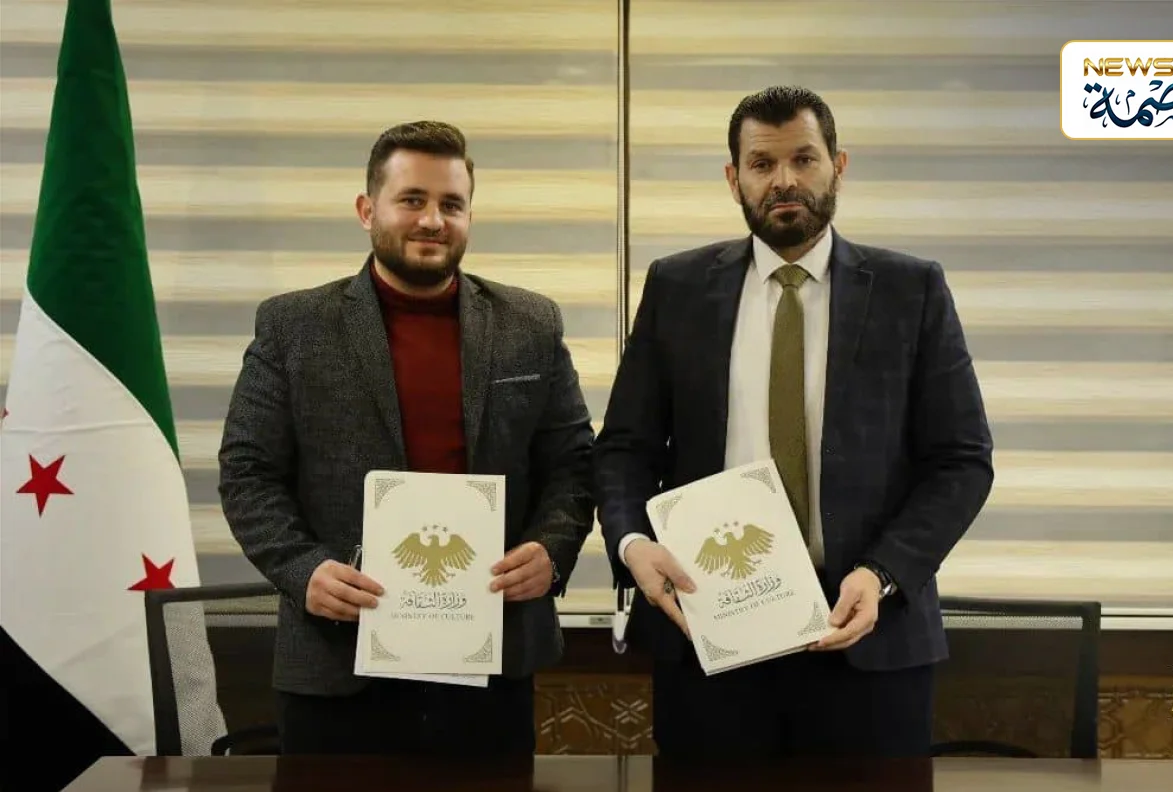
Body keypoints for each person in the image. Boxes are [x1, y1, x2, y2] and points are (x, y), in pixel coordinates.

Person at [593, 86, 994, 759]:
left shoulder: (910, 290)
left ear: (838, 166)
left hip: (868, 638)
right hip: (710, 636)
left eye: (804, 159)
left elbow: (961, 461)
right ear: (734, 179)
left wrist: (882, 573)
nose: (784, 180)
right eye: (762, 163)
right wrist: (633, 545)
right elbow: (624, 451)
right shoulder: (676, 288)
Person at [218, 120, 595, 756]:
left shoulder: (530, 323)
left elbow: (574, 464)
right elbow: (247, 472)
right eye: (412, 200)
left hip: (491, 660)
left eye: (452, 204)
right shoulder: (293, 326)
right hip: (337, 665)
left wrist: (551, 550)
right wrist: (303, 570)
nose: (432, 221)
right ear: (368, 210)